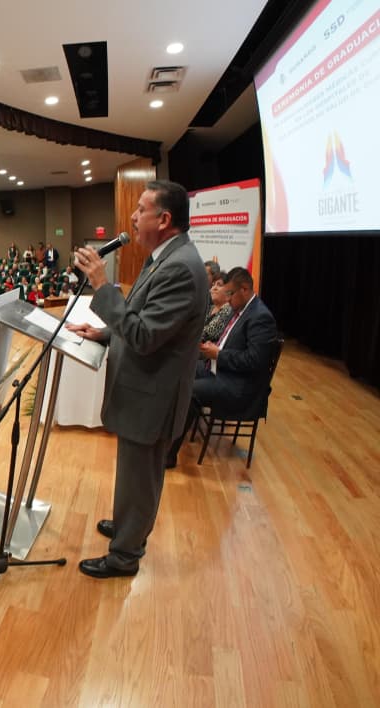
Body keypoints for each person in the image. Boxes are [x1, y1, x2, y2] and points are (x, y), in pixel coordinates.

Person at [66, 179, 208, 579]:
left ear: (163, 219)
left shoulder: (179, 267)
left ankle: (125, 556)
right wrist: (103, 332)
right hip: (145, 391)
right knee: (134, 474)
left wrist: (99, 284)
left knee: (141, 478)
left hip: (153, 397)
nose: (132, 216)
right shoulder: (164, 257)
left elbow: (145, 337)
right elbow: (142, 319)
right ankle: (128, 525)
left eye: (140, 209)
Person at [171, 267, 279, 460]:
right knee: (180, 367)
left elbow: (255, 360)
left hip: (240, 386)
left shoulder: (260, 317)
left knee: (191, 390)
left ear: (244, 289)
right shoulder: (240, 309)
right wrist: (216, 348)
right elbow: (231, 343)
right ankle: (168, 430)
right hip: (220, 370)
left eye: (230, 293)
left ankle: (168, 455)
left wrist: (219, 354)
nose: (227, 299)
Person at [201, 273, 234, 343]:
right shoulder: (210, 308)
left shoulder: (228, 310)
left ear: (229, 291)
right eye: (213, 285)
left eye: (219, 285)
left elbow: (207, 334)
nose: (214, 288)